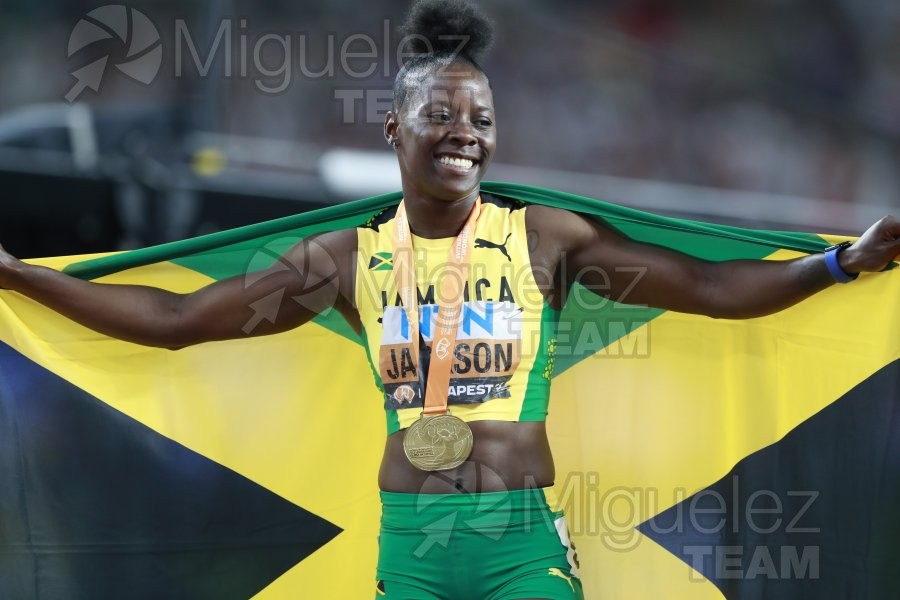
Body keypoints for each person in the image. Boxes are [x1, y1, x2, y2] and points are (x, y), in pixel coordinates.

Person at [1, 1, 899, 598]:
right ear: (394, 127)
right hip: (414, 550)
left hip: (522, 547)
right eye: (440, 115)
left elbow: (707, 288)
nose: (463, 133)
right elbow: (174, 323)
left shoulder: (546, 239)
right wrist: (20, 275)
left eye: (480, 120)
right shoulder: (346, 260)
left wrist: (837, 266)